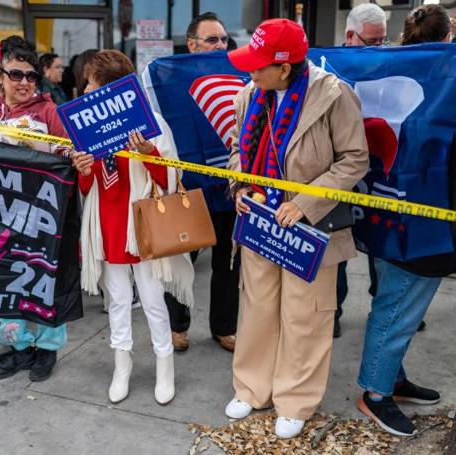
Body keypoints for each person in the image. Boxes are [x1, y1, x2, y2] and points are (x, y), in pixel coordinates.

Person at [225, 19, 369, 438]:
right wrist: (242, 186)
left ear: (284, 68)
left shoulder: (333, 94)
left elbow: (354, 159)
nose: (249, 72)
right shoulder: (250, 94)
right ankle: (252, 388)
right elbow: (237, 148)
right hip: (259, 223)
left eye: (258, 65)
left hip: (311, 228)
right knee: (257, 308)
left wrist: (304, 202)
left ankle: (296, 400)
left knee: (305, 315)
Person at [73, 50, 194, 405]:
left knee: (154, 300)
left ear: (110, 88)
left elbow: (172, 179)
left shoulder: (151, 119)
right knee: (119, 301)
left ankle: (164, 364)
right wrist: (83, 170)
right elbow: (89, 186)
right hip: (107, 224)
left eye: (90, 82)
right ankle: (121, 365)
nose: (84, 89)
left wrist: (148, 152)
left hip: (142, 225)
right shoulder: (86, 125)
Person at [356, 4, 452, 437]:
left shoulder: (381, 67)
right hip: (418, 223)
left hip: (383, 209)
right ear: (446, 39)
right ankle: (375, 393)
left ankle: (391, 378)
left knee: (397, 305)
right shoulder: (444, 83)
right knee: (396, 307)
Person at [0, 36, 75, 382]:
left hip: (42, 220)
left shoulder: (49, 112)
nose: (25, 83)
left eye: (32, 76)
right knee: (4, 282)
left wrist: (44, 147)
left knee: (41, 281)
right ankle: (18, 349)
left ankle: (46, 349)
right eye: (16, 74)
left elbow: (69, 157)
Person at [166, 11, 238, 353]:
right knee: (181, 262)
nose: (221, 46)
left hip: (229, 189)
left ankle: (224, 327)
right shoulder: (169, 80)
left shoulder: (239, 75)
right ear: (192, 44)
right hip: (190, 188)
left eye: (224, 39)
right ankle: (177, 326)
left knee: (228, 262)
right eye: (212, 40)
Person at [334, 2, 388, 339]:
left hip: (380, 166)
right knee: (338, 242)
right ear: (350, 36)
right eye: (373, 41)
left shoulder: (390, 61)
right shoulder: (329, 65)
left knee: (380, 238)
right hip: (340, 169)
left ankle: (383, 304)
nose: (380, 48)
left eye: (384, 40)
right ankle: (334, 310)